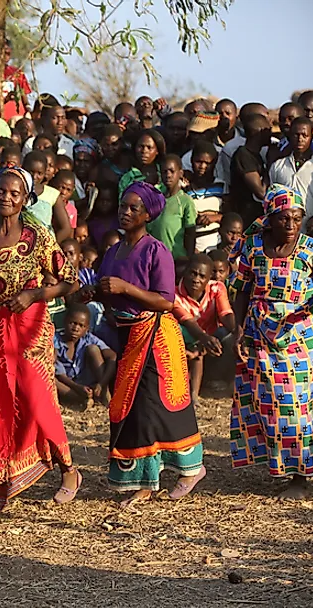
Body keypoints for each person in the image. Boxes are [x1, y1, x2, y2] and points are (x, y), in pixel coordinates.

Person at [0, 167, 82, 509]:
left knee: (36, 396)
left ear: (26, 199)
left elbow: (69, 280)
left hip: (30, 324)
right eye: (1, 191)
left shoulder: (38, 235)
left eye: (15, 193)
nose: (6, 198)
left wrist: (36, 294)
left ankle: (68, 467)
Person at [88, 181, 206, 506]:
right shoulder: (114, 250)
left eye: (133, 209)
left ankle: (191, 468)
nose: (125, 212)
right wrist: (95, 292)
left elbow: (165, 300)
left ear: (147, 215)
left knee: (159, 407)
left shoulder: (156, 251)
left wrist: (125, 288)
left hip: (154, 335)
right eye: (123, 206)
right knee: (135, 411)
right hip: (127, 335)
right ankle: (145, 481)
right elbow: (110, 288)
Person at [230, 185, 313, 500]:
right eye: (285, 219)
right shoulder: (253, 247)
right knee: (269, 406)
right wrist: (238, 329)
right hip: (259, 337)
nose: (292, 225)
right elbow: (241, 289)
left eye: (297, 218)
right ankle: (280, 467)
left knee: (297, 406)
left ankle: (301, 476)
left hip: (301, 339)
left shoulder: (311, 249)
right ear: (270, 219)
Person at [173, 253, 235, 401]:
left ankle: (218, 380)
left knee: (229, 337)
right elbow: (188, 322)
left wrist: (239, 333)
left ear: (208, 279)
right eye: (193, 273)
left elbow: (225, 314)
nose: (196, 279)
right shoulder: (174, 294)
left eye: (202, 276)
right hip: (188, 339)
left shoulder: (217, 288)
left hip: (212, 340)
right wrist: (203, 338)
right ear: (185, 272)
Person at [54, 303, 116, 406]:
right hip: (68, 386)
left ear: (87, 328)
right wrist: (77, 387)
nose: (76, 328)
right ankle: (80, 400)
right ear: (65, 322)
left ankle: (104, 394)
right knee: (51, 377)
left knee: (93, 349)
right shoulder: (56, 340)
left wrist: (101, 383)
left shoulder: (88, 339)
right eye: (72, 323)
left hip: (90, 385)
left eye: (81, 325)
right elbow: (59, 374)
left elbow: (112, 356)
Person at [269, 117, 313, 219]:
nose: (300, 139)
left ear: (312, 137)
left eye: (305, 135)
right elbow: (271, 201)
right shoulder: (278, 166)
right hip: (285, 231)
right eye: (296, 135)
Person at [148, 154, 197, 262]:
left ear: (180, 173)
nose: (168, 175)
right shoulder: (155, 199)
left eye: (171, 171)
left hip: (176, 259)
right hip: (154, 258)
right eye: (164, 172)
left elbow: (190, 233)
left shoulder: (185, 201)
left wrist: (188, 258)